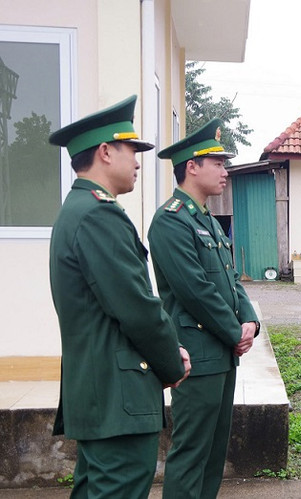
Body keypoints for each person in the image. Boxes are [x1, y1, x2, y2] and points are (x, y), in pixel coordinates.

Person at [48, 95, 191, 498]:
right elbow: (137, 308)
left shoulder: (76, 210)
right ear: (106, 152)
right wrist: (171, 361)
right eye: (132, 149)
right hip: (118, 398)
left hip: (100, 395)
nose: (139, 160)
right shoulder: (98, 214)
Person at [149, 118, 260, 498]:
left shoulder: (208, 221)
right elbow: (195, 290)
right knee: (192, 452)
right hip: (198, 356)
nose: (225, 171)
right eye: (218, 162)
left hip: (223, 354)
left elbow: (229, 280)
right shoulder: (170, 222)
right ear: (191, 166)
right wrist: (234, 332)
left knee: (214, 453)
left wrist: (250, 322)